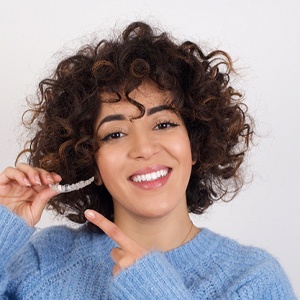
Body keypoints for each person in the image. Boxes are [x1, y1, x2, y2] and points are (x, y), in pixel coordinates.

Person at [0, 21, 296, 299]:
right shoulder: (46, 259)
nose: (144, 148)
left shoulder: (253, 280)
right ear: (92, 162)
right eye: (115, 134)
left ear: (194, 145)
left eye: (164, 124)